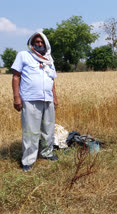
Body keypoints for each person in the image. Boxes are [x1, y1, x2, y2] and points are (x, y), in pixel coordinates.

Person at [11, 32, 58, 172]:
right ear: (31, 43)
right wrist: (16, 97)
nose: (39, 44)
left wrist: (54, 97)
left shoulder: (49, 60)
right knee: (31, 131)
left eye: (42, 42)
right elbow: (16, 77)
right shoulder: (23, 55)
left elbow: (52, 80)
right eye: (36, 42)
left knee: (48, 129)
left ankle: (46, 153)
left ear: (46, 44)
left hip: (47, 99)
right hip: (30, 99)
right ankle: (28, 160)